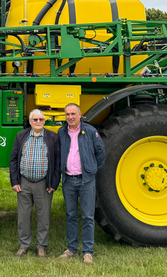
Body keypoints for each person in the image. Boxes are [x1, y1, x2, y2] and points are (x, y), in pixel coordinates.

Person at [57, 103, 105, 265]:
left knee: (88, 216)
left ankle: (87, 252)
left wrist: (92, 169)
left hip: (86, 180)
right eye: (67, 114)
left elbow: (101, 152)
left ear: (80, 114)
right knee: (70, 215)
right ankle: (71, 248)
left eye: (73, 114)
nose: (70, 117)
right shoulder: (61, 132)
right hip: (69, 180)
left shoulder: (90, 132)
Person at [9, 109, 60, 258]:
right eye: (35, 119)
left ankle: (41, 246)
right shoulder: (21, 136)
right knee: (23, 217)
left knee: (43, 217)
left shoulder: (53, 137)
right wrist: (14, 181)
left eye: (41, 119)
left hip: (44, 184)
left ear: (44, 121)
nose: (38, 122)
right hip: (24, 183)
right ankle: (23, 246)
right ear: (30, 122)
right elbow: (13, 160)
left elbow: (57, 163)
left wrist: (54, 183)